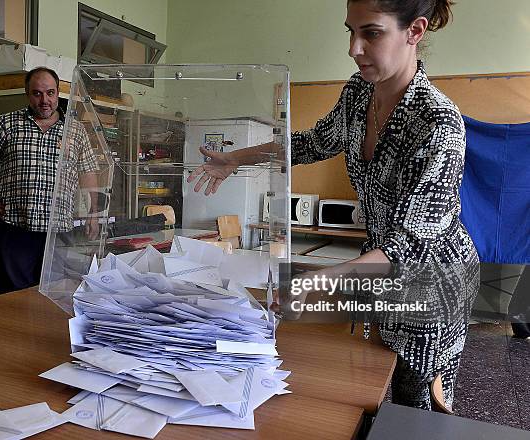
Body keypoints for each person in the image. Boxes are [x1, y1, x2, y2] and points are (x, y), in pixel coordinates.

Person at [188, 0, 479, 411]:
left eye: (371, 33)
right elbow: (313, 142)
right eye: (351, 31)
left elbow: (410, 244)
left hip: (432, 277)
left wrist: (316, 286)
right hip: (379, 265)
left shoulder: (438, 125)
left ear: (414, 31)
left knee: (416, 398)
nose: (354, 48)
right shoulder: (360, 92)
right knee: (375, 376)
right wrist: (237, 157)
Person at [0, 67, 99, 292]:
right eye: (37, 93)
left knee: (54, 295)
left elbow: (88, 172)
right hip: (15, 229)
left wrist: (94, 213)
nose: (44, 100)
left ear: (58, 93)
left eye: (50, 93)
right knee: (12, 298)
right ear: (27, 94)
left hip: (58, 231)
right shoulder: (7, 124)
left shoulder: (75, 131)